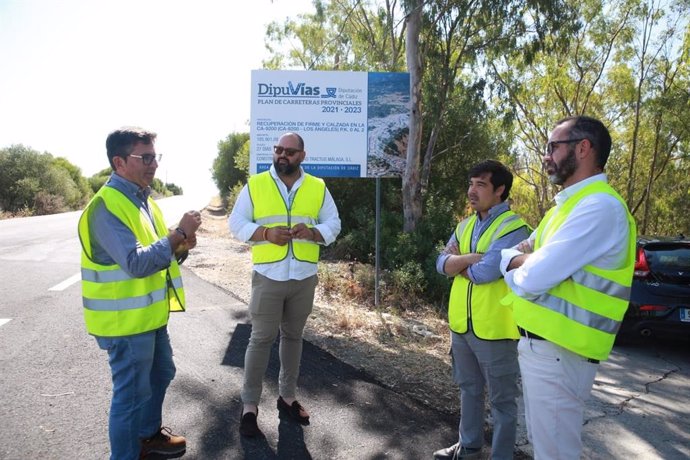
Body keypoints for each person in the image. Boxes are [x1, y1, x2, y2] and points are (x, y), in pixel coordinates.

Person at [500, 116, 636, 459]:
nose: (546, 156)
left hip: (561, 351)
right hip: (545, 349)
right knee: (546, 445)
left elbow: (532, 277)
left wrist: (513, 266)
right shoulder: (567, 206)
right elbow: (520, 254)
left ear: (583, 148)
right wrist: (518, 261)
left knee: (555, 452)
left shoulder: (599, 207)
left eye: (552, 147)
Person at [78, 127, 201, 460]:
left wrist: (181, 246)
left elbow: (161, 252)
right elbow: (135, 262)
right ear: (119, 162)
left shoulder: (144, 200)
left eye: (154, 156)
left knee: (163, 373)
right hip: (124, 323)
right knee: (130, 396)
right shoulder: (106, 206)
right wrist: (177, 234)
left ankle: (147, 437)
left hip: (148, 317)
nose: (153, 165)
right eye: (144, 157)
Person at [228, 132, 341, 437]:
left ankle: (287, 397)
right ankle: (249, 406)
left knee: (293, 338)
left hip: (304, 277)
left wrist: (314, 232)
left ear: (302, 156)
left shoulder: (317, 187)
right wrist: (265, 234)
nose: (282, 155)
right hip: (268, 277)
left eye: (289, 152)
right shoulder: (256, 184)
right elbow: (236, 223)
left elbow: (334, 223)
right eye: (278, 150)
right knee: (260, 340)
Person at [433, 160, 531, 460]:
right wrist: (469, 259)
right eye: (471, 183)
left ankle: (501, 456)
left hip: (496, 329)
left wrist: (460, 261)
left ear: (500, 190)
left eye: (481, 185)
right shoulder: (464, 225)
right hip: (462, 326)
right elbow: (440, 265)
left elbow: (486, 273)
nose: (471, 191)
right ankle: (469, 447)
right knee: (468, 389)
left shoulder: (514, 228)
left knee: (503, 403)